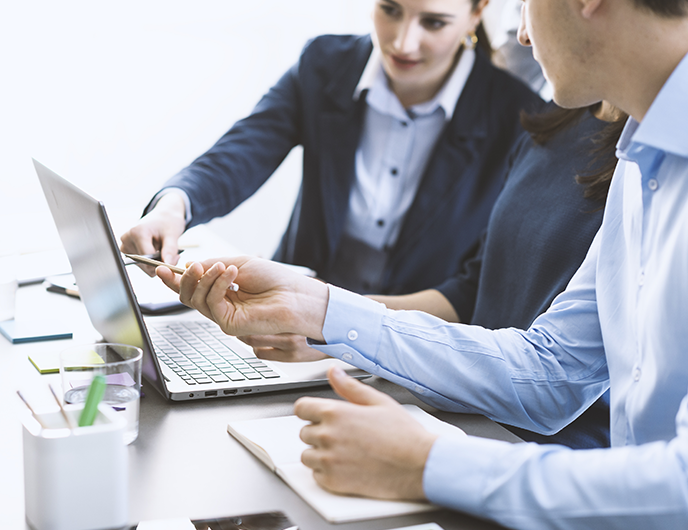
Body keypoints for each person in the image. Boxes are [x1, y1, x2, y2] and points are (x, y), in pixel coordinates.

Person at [153, 0, 688, 525]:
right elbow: (553, 373)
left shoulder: (549, 123)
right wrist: (317, 309)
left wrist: (429, 464)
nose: (521, 35)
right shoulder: (641, 165)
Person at [244, 100, 628, 450]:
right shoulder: (551, 122)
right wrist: (322, 318)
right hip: (456, 408)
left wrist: (330, 316)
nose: (522, 36)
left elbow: (552, 378)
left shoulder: (641, 164)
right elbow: (473, 289)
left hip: (535, 451)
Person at [121, 0, 540, 296]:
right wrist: (173, 206)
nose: (402, 42)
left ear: (477, 11)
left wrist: (332, 325)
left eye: (433, 23)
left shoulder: (517, 115)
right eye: (389, 9)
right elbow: (243, 151)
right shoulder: (324, 63)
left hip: (410, 349)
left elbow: (482, 280)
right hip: (282, 322)